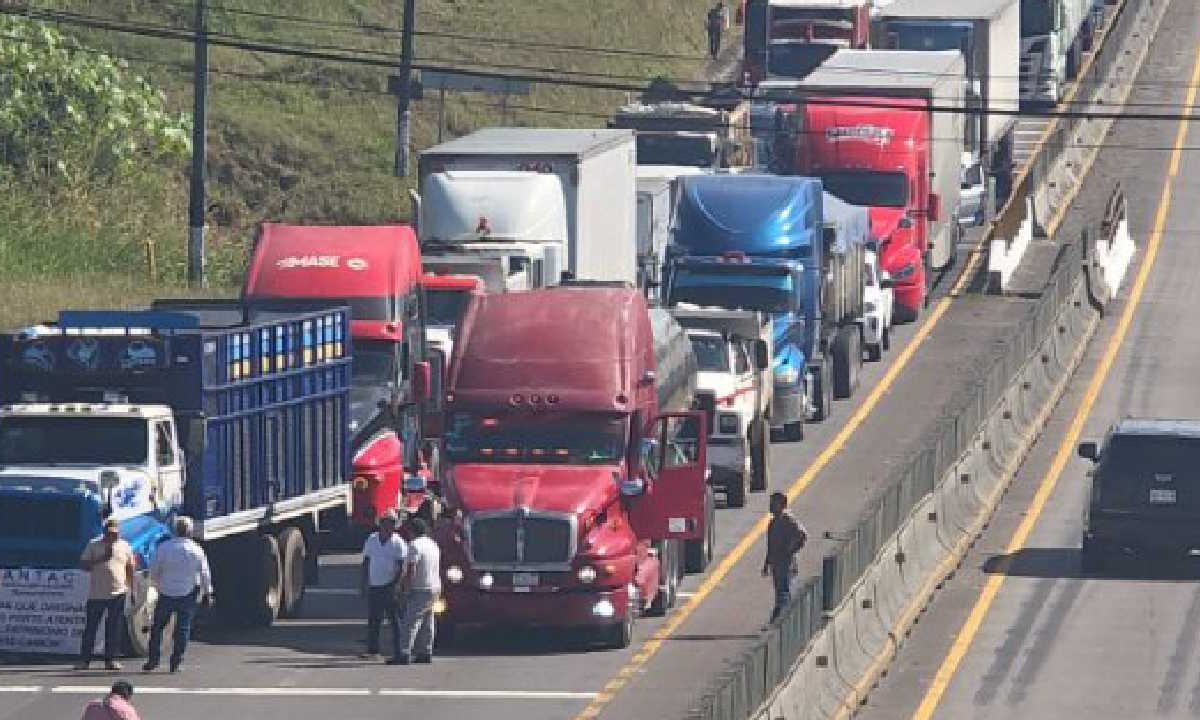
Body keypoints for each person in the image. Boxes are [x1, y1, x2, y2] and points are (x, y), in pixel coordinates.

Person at [143, 516, 212, 673]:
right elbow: (204, 573)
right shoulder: (196, 549)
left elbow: (154, 570)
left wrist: (157, 584)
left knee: (157, 627)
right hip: (187, 593)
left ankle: (153, 660)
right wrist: (208, 593)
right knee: (183, 628)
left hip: (166, 592)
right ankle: (176, 662)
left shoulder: (164, 548)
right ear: (190, 531)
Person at [76, 517, 136, 671]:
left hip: (118, 593)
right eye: (110, 533)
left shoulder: (125, 546)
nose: (113, 536)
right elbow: (83, 565)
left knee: (114, 627)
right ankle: (84, 660)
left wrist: (132, 589)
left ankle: (110, 660)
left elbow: (130, 568)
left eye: (115, 533)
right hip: (97, 594)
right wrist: (102, 559)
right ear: (104, 532)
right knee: (91, 627)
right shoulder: (93, 544)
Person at [361, 510, 407, 662]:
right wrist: (364, 583)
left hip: (390, 586)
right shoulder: (372, 539)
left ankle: (399, 651)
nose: (389, 526)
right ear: (381, 524)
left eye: (392, 523)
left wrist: (397, 586)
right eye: (386, 522)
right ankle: (373, 650)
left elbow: (401, 567)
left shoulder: (398, 542)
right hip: (375, 585)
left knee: (395, 621)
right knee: (374, 619)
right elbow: (366, 562)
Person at [393, 516, 441, 665]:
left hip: (421, 587)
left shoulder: (414, 546)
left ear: (412, 531)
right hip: (435, 586)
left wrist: (405, 589)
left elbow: (412, 569)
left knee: (410, 622)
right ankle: (426, 652)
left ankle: (404, 653)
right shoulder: (433, 544)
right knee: (428, 620)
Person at [762, 492, 807, 622]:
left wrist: (791, 551)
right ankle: (781, 620)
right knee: (780, 592)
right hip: (776, 564)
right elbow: (770, 546)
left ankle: (781, 620)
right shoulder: (773, 523)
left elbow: (803, 536)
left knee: (784, 593)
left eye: (773, 503)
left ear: (782, 505)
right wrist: (766, 564)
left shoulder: (788, 520)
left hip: (786, 564)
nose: (770, 506)